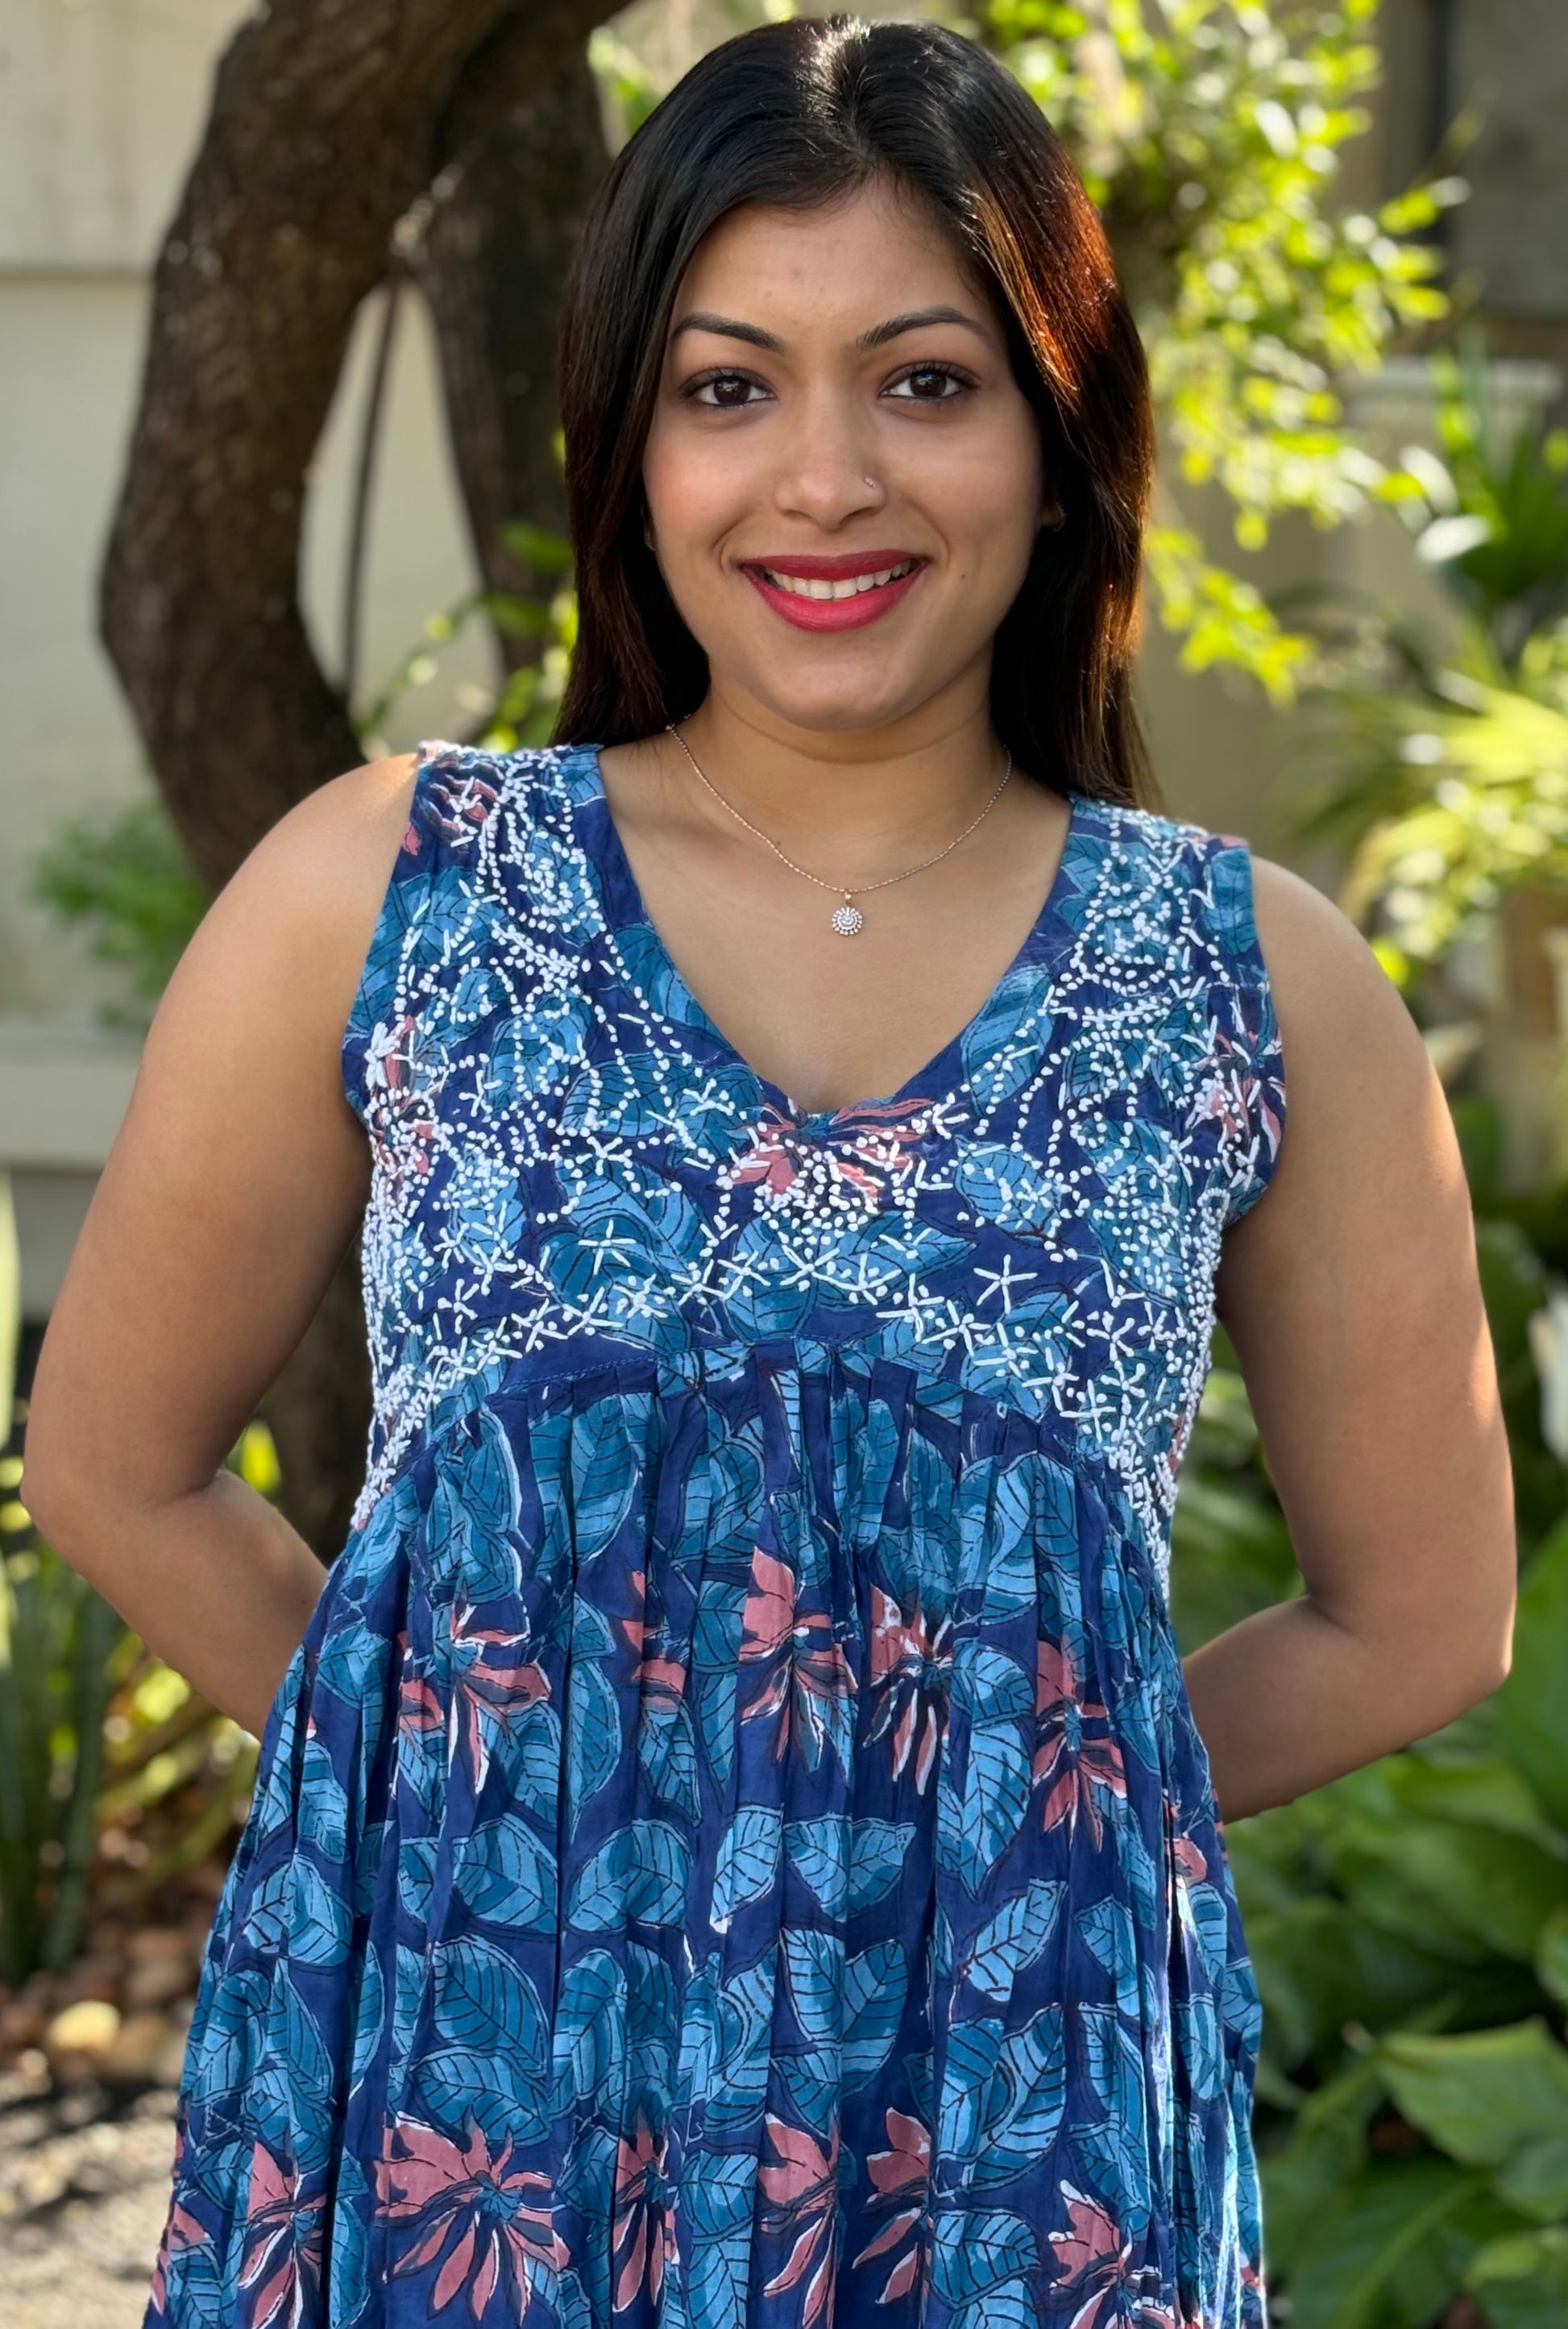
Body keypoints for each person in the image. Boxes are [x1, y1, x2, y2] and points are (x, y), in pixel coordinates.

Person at [25, 17, 1516, 2329]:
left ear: (1059, 439)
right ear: (628, 447)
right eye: (728, 387)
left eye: (924, 381)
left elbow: (1419, 1620)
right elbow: (114, 1466)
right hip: (480, 2113)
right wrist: (481, 1783)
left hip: (1009, 2128)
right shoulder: (393, 889)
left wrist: (987, 1814)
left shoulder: (1247, 983)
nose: (826, 478)